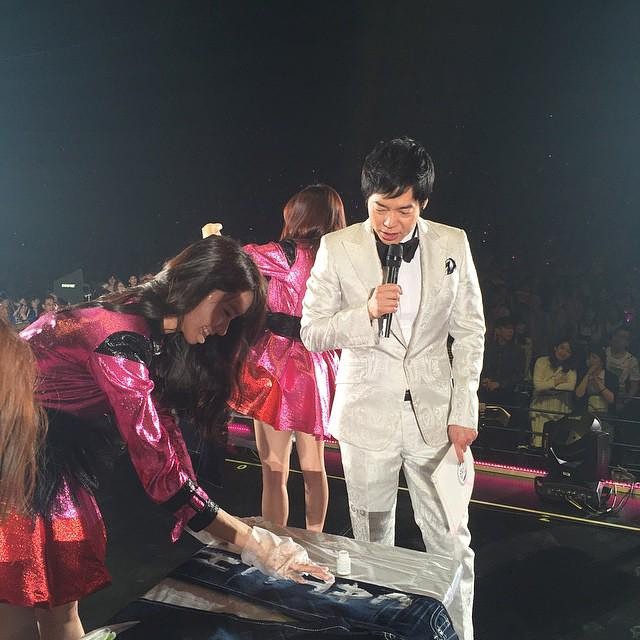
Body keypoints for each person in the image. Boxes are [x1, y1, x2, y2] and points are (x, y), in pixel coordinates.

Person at [0, 236, 330, 640]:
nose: (223, 328)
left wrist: (219, 525)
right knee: (22, 603)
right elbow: (158, 467)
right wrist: (252, 541)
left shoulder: (147, 324)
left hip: (40, 450)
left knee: (54, 602)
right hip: (18, 453)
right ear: (198, 286)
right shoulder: (120, 337)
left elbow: (166, 438)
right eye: (226, 312)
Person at [301, 136, 485, 640]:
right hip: (366, 417)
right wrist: (364, 311)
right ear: (367, 198)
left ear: (423, 202)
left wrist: (464, 409)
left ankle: (461, 633)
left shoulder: (452, 243)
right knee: (371, 539)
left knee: (450, 538)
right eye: (381, 208)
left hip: (437, 420)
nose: (390, 222)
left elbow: (470, 331)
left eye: (404, 210)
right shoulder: (337, 247)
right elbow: (312, 331)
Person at [231, 185, 345, 532]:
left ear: (300, 215)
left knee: (273, 466)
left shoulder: (286, 253)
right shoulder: (337, 257)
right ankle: (315, 538)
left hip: (278, 362)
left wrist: (214, 240)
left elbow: (239, 257)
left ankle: (275, 541)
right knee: (314, 466)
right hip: (319, 364)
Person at [529, 338, 577, 447]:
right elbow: (538, 386)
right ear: (555, 347)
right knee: (538, 442)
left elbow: (570, 386)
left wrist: (548, 386)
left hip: (561, 408)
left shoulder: (571, 368)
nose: (563, 352)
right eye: (562, 348)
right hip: (541, 407)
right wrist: (556, 382)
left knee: (557, 445)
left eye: (568, 351)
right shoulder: (542, 361)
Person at [480, 316, 525, 405]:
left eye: (512, 329)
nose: (510, 331)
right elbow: (480, 367)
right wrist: (483, 379)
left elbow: (519, 374)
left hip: (507, 395)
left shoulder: (517, 351)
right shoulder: (487, 348)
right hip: (486, 392)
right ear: (497, 330)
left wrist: (500, 384)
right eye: (507, 328)